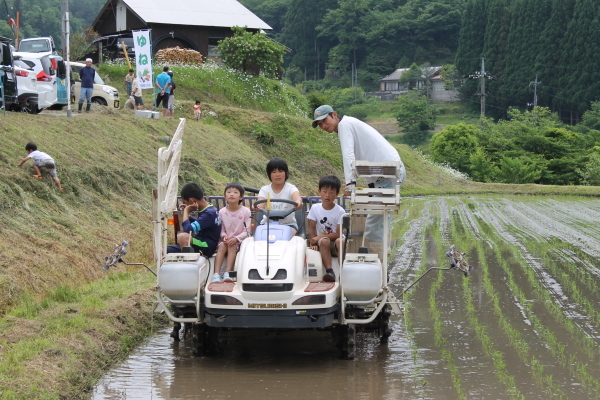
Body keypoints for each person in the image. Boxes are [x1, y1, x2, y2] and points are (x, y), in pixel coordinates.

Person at [312, 104, 406, 258]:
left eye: (324, 120)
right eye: (320, 124)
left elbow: (348, 155)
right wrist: (369, 187)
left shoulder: (345, 125)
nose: (323, 126)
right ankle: (381, 262)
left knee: (374, 224)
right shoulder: (351, 125)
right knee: (381, 221)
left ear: (334, 115)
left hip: (389, 173)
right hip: (387, 173)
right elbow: (366, 158)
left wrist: (350, 183)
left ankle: (375, 263)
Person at [308, 176, 346, 282]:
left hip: (336, 243)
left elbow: (338, 233)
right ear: (320, 192)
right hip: (323, 243)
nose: (327, 195)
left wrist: (318, 237)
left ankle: (343, 272)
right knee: (324, 241)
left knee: (340, 241)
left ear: (337, 194)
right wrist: (313, 243)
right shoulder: (315, 208)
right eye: (325, 192)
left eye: (331, 192)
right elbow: (311, 228)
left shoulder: (340, 211)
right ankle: (330, 271)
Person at [166, 182, 221, 256]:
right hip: (198, 242)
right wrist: (188, 217)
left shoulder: (209, 213)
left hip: (207, 245)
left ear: (191, 200)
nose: (187, 205)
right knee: (161, 250)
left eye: (186, 202)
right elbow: (201, 224)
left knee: (183, 237)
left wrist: (186, 211)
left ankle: (187, 264)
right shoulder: (209, 209)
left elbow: (188, 230)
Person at [212, 183, 251, 283]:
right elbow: (221, 229)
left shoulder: (246, 211)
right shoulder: (222, 212)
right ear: (225, 196)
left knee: (231, 245)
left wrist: (236, 238)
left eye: (235, 192)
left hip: (239, 242)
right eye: (228, 192)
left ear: (241, 197)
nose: (231, 194)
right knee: (223, 246)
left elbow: (247, 231)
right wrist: (224, 236)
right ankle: (216, 274)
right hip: (226, 241)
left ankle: (227, 273)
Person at [255, 157, 303, 235]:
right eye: (274, 172)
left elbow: (297, 198)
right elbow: (260, 203)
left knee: (282, 236)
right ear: (269, 174)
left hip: (288, 225)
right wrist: (257, 207)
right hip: (267, 225)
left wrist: (298, 203)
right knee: (260, 238)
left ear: (286, 173)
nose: (277, 174)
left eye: (280, 171)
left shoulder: (291, 188)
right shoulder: (264, 189)